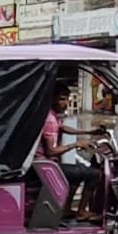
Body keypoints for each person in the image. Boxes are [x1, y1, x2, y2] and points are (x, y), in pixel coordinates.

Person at [40, 89, 101, 221]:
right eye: (62, 99)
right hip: (45, 165)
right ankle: (81, 211)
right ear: (53, 99)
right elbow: (51, 151)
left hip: (48, 164)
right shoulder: (49, 120)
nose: (65, 103)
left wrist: (89, 131)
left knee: (78, 172)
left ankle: (66, 209)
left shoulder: (52, 115)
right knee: (94, 174)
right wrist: (76, 144)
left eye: (67, 99)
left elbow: (63, 128)